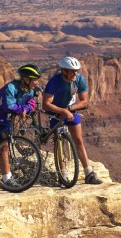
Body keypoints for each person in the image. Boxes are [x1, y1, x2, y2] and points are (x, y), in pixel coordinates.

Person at [42, 56, 102, 185]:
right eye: (72, 71)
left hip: (71, 111)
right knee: (58, 143)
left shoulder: (79, 79)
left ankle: (89, 173)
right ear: (64, 71)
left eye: (76, 71)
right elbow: (46, 104)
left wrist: (70, 108)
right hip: (56, 113)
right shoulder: (54, 82)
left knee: (79, 141)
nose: (75, 73)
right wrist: (62, 111)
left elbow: (85, 101)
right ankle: (62, 175)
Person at [0, 64, 41, 185]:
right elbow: (8, 105)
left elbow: (32, 104)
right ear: (26, 79)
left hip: (6, 117)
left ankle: (4, 170)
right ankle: (7, 179)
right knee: (4, 146)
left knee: (6, 143)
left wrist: (25, 109)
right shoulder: (11, 88)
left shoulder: (30, 90)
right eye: (34, 79)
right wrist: (21, 110)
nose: (37, 82)